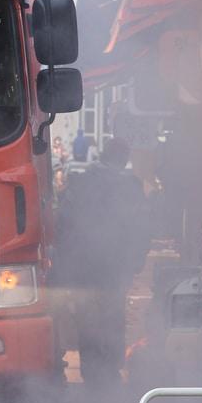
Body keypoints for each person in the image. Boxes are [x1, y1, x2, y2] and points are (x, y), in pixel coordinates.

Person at [54, 137, 151, 387]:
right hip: (115, 266)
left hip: (84, 265)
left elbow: (64, 225)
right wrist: (136, 261)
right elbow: (141, 228)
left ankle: (91, 367)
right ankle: (111, 367)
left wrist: (65, 263)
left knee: (87, 315)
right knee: (113, 315)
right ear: (123, 158)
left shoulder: (81, 181)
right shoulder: (130, 186)